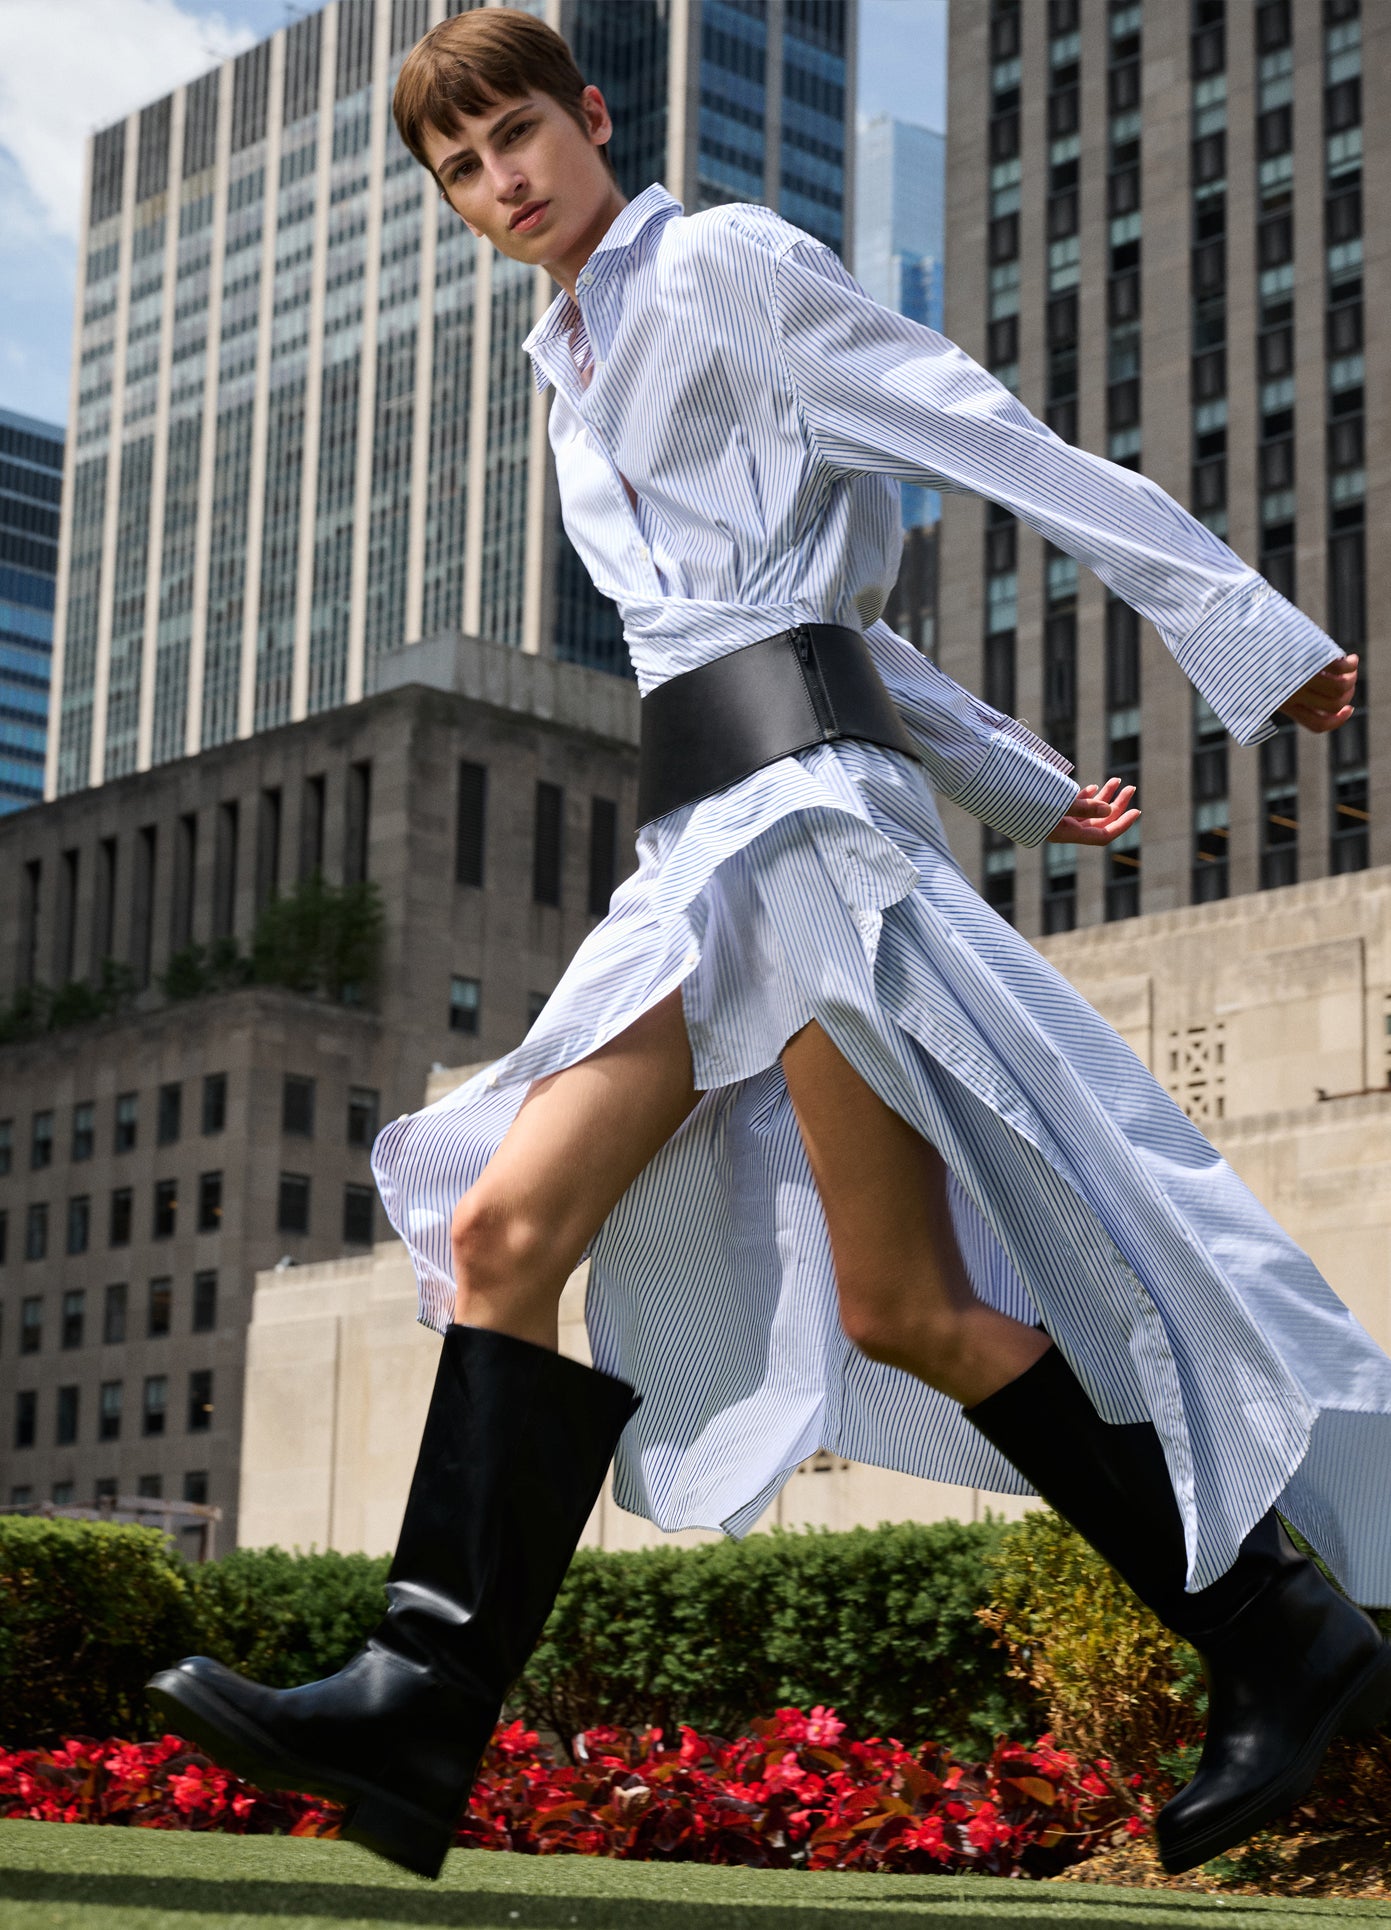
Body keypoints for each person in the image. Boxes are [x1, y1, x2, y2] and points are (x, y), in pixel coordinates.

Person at [149, 8, 1391, 1884]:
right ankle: (1286, 1642)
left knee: (522, 1230)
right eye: (461, 167)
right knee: (885, 1305)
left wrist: (1248, 635)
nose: (502, 182)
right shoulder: (561, 368)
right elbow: (806, 618)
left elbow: (977, 434)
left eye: (520, 136)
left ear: (592, 116)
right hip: (714, 845)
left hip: (798, 842)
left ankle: (419, 1697)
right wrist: (1029, 784)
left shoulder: (724, 265)